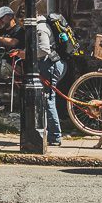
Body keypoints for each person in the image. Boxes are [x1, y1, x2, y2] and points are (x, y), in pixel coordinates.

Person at [36, 15, 64, 147]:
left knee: (48, 100)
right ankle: (50, 133)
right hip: (50, 65)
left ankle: (55, 137)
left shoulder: (40, 28)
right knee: (47, 99)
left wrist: (26, 54)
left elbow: (43, 50)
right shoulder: (42, 25)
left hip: (50, 66)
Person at [0, 5, 24, 97]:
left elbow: (13, 42)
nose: (0, 21)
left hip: (13, 65)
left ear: (10, 17)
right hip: (1, 63)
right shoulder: (0, 32)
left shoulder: (19, 30)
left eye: (2, 18)